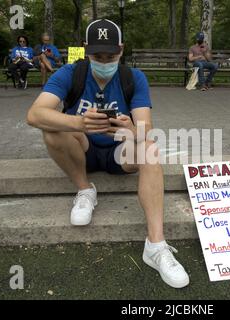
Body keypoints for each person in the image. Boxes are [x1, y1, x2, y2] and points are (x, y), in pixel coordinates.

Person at [26, 19, 189, 289]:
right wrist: (78, 123)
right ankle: (85, 190)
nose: (104, 61)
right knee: (51, 127)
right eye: (97, 56)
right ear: (85, 49)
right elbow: (35, 114)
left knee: (149, 148)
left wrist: (129, 129)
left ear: (121, 50)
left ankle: (156, 246)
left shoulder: (133, 77)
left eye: (110, 56)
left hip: (118, 152)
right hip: (83, 150)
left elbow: (146, 129)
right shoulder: (70, 73)